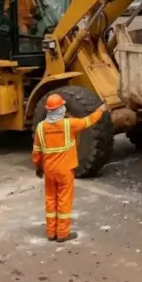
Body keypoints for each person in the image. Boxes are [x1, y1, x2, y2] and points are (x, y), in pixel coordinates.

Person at [33, 94, 106, 242]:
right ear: (61, 109)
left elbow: (36, 152)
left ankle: (51, 232)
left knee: (50, 200)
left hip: (49, 171)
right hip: (65, 170)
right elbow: (88, 121)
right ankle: (62, 233)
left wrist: (38, 168)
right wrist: (101, 110)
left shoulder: (41, 128)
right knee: (64, 201)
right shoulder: (68, 125)